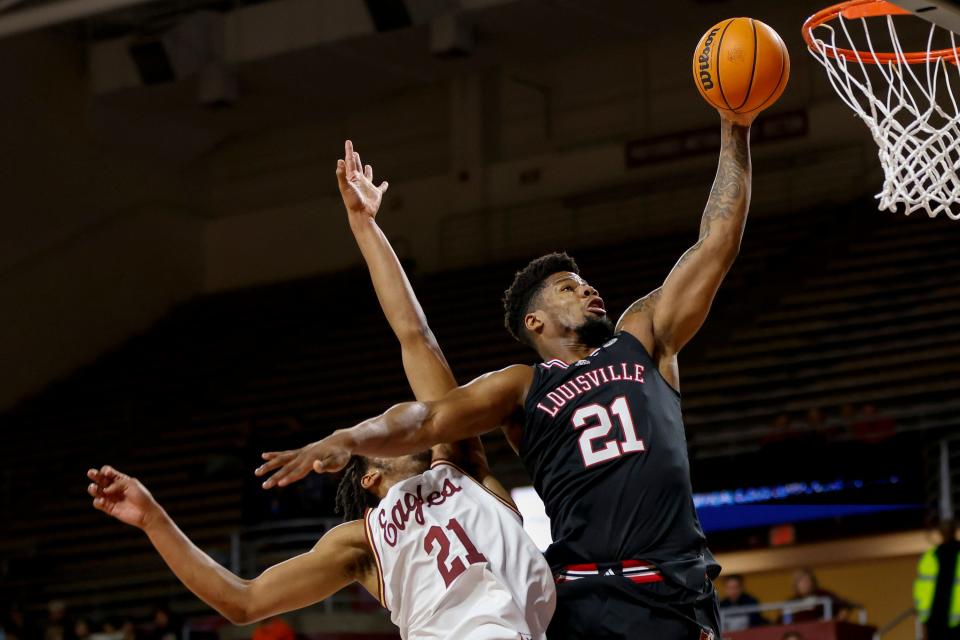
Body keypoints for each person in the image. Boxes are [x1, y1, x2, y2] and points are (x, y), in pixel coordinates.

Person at [256, 110, 755, 640]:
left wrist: (735, 126)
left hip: (674, 589)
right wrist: (348, 439)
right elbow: (426, 411)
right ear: (534, 321)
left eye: (585, 284)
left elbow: (716, 241)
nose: (587, 291)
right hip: (582, 598)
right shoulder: (521, 387)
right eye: (568, 287)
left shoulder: (643, 338)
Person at [86, 142, 554, 640]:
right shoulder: (361, 542)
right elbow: (244, 602)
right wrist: (153, 518)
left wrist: (365, 226)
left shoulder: (460, 464)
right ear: (369, 479)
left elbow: (414, 336)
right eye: (381, 444)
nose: (397, 435)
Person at [915, 519, 960, 640]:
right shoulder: (929, 557)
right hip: (936, 623)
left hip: (938, 623)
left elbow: (921, 591)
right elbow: (922, 590)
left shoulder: (930, 557)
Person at [787, 568, 852, 623]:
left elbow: (845, 606)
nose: (805, 583)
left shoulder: (822, 594)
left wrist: (836, 620)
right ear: (795, 584)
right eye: (801, 581)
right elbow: (783, 621)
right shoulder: (791, 602)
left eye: (807, 580)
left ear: (812, 582)